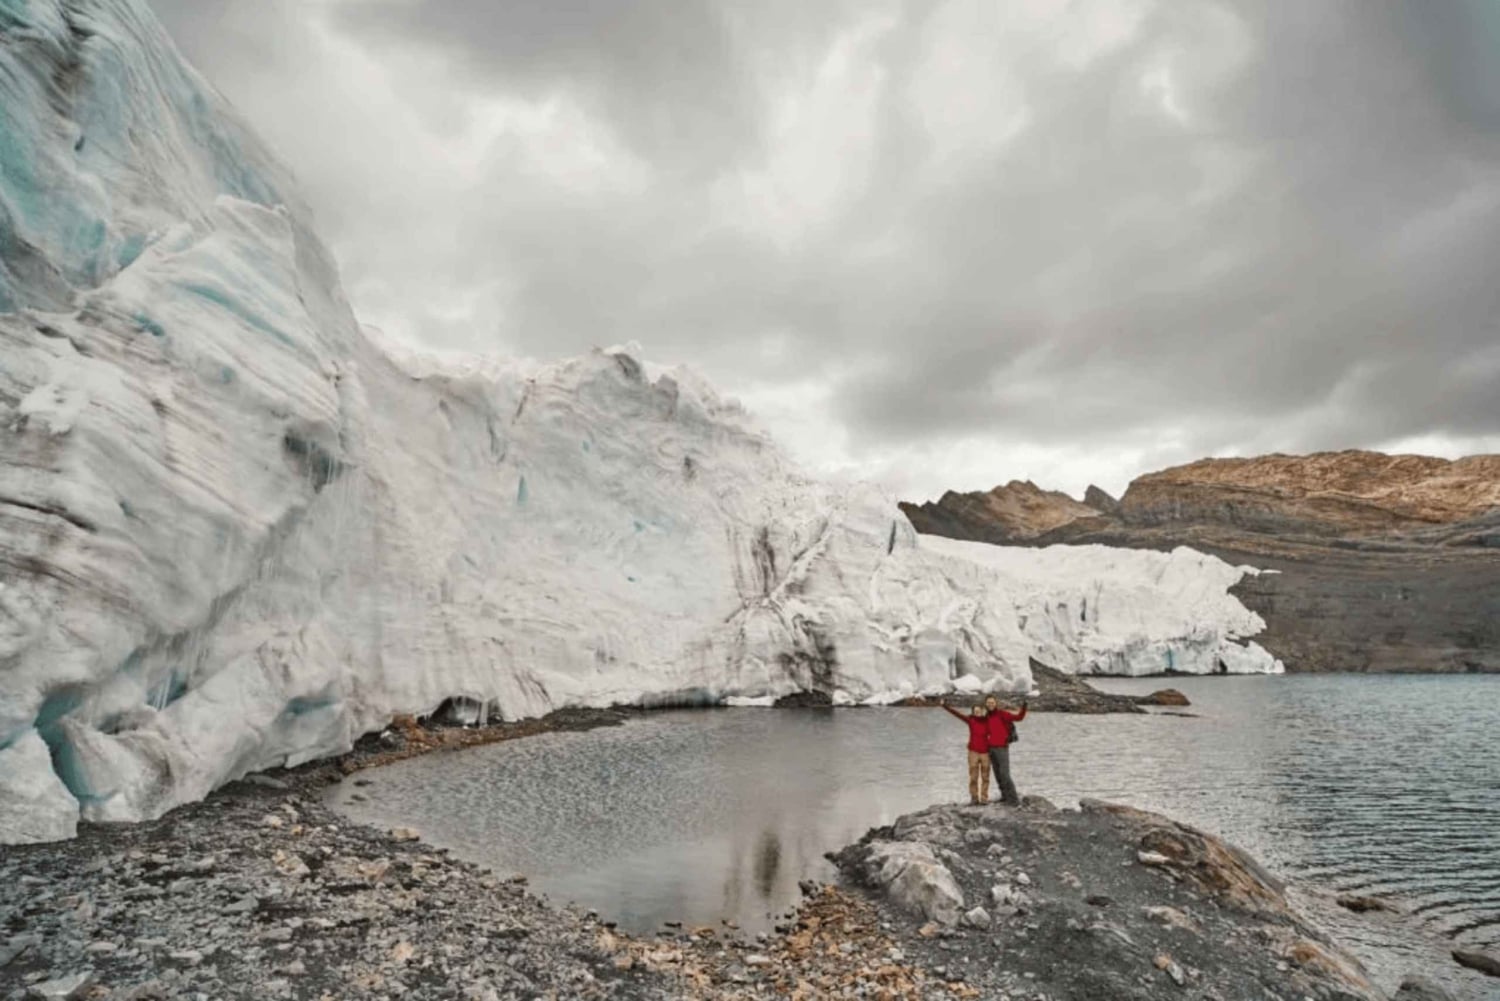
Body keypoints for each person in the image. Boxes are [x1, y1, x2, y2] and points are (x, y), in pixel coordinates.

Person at [940, 700, 991, 805]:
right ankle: (974, 798)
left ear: (983, 711)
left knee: (985, 777)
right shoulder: (970, 720)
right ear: (973, 712)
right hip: (973, 752)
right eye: (975, 711)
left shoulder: (988, 721)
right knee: (973, 776)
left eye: (979, 711)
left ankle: (984, 798)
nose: (978, 713)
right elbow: (957, 714)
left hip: (986, 752)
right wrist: (945, 706)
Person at [983, 694, 1027, 806]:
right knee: (997, 774)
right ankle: (1004, 796)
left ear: (995, 703)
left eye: (992, 703)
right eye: (988, 703)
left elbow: (1019, 718)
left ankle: (1014, 800)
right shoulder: (986, 717)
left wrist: (1024, 706)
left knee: (1004, 774)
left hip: (1002, 748)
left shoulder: (1002, 714)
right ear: (986, 704)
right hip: (990, 748)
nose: (990, 705)